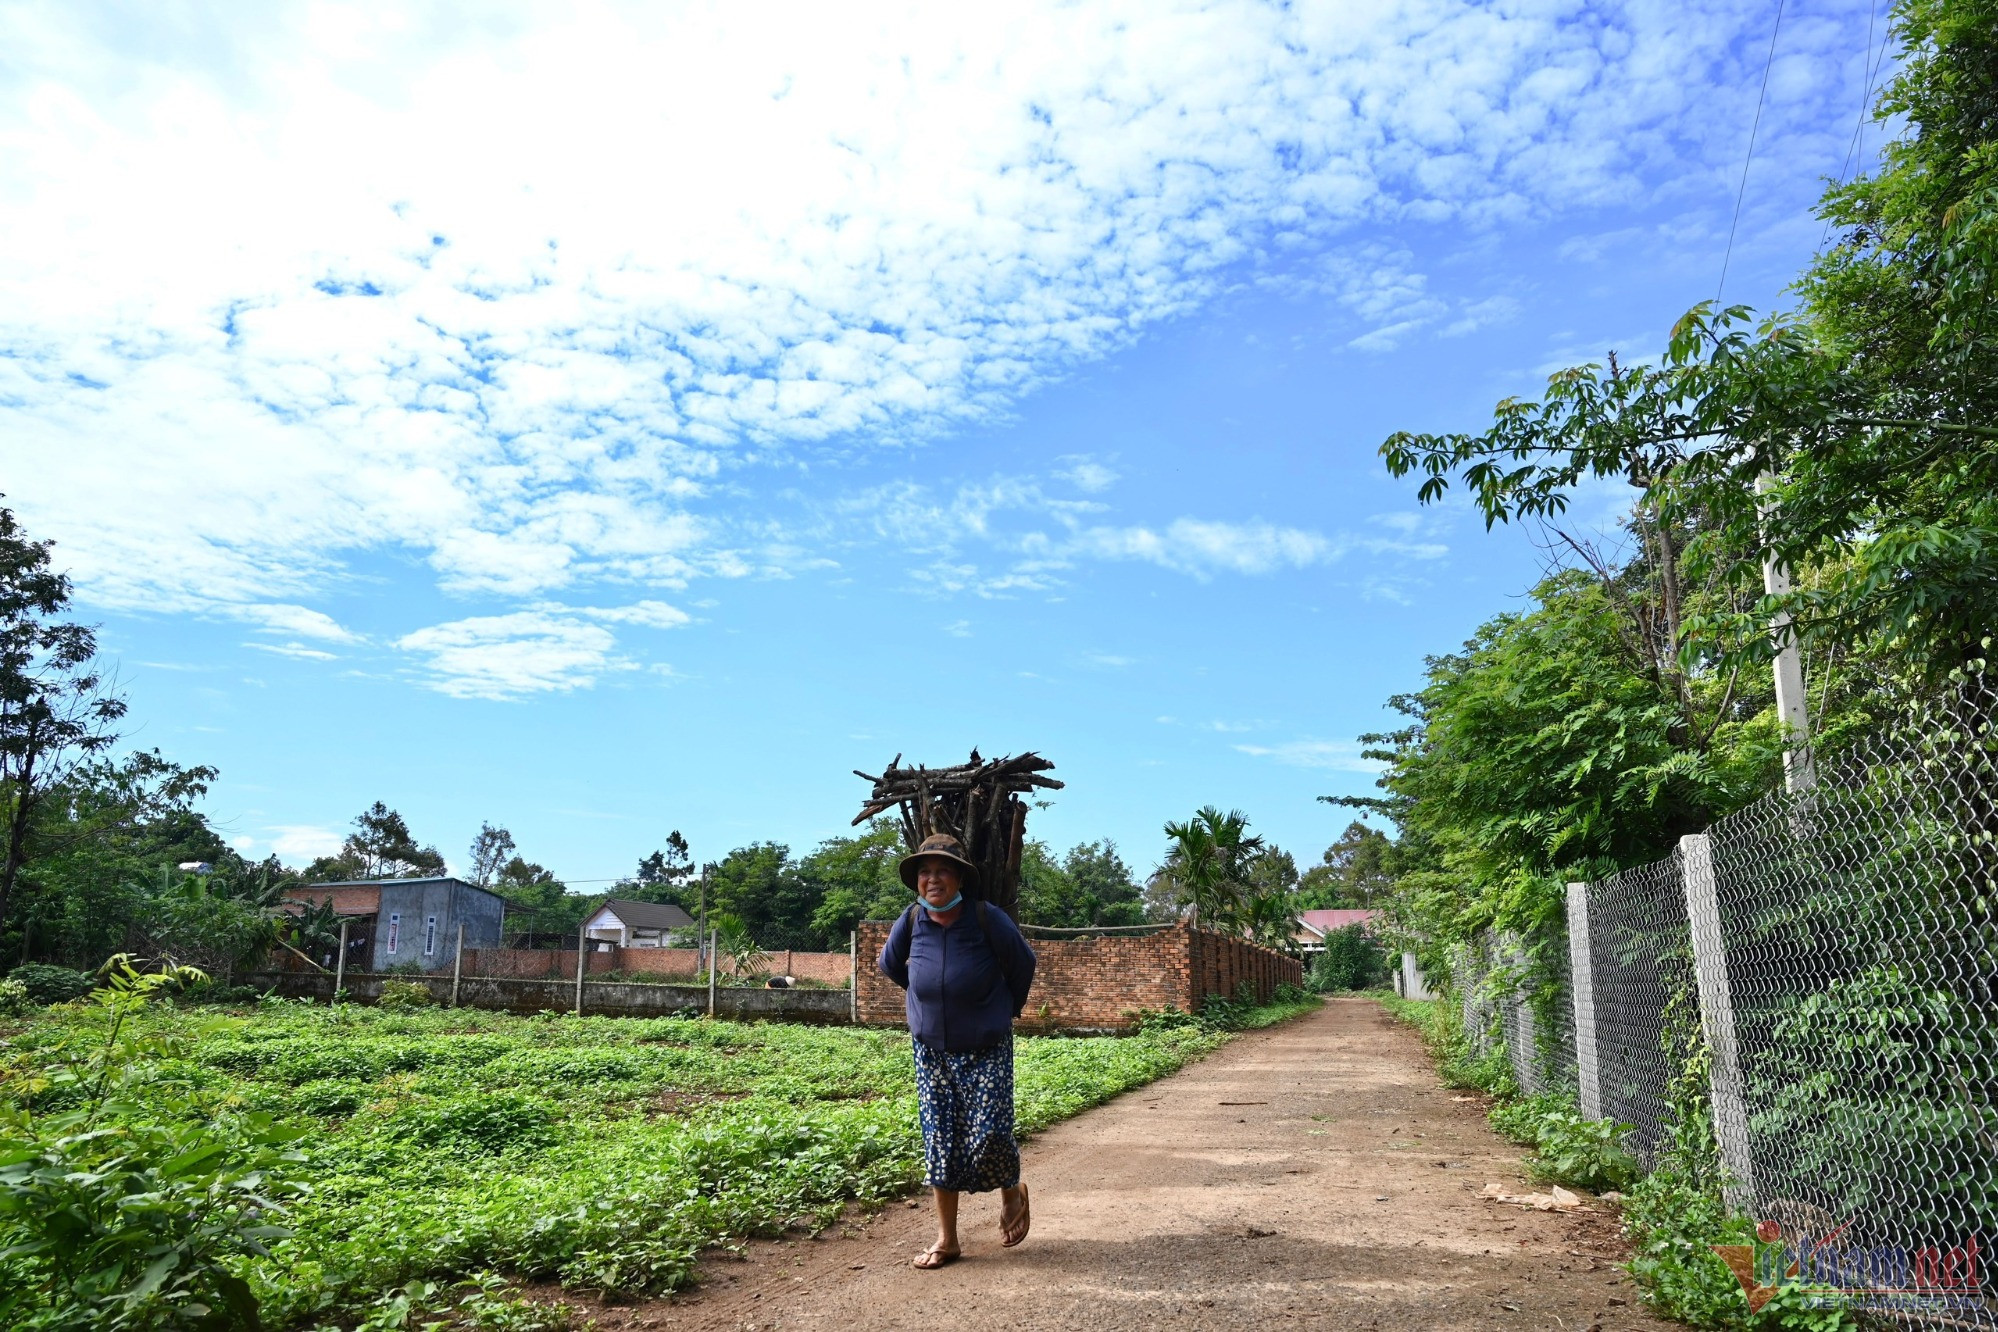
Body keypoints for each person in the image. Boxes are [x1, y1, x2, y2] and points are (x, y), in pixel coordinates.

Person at [878, 832, 1038, 1270]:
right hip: (931, 1051)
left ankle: (1011, 1192)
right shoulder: (912, 921)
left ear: (959, 878)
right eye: (925, 872)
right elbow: (891, 966)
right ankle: (947, 1239)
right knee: (940, 1142)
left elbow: (1023, 963)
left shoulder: (986, 918)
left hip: (986, 1046)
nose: (932, 879)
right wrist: (924, 1001)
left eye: (942, 870)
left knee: (989, 1134)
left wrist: (1007, 1007)